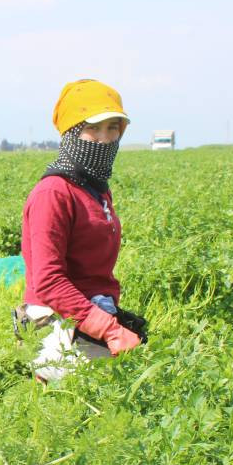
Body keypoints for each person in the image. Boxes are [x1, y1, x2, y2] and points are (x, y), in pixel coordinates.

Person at [19, 79, 146, 383]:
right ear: (71, 133)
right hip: (52, 321)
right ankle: (47, 373)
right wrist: (110, 330)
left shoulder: (95, 189)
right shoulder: (53, 193)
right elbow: (48, 282)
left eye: (113, 128)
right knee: (121, 385)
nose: (103, 140)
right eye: (93, 128)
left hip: (88, 311)